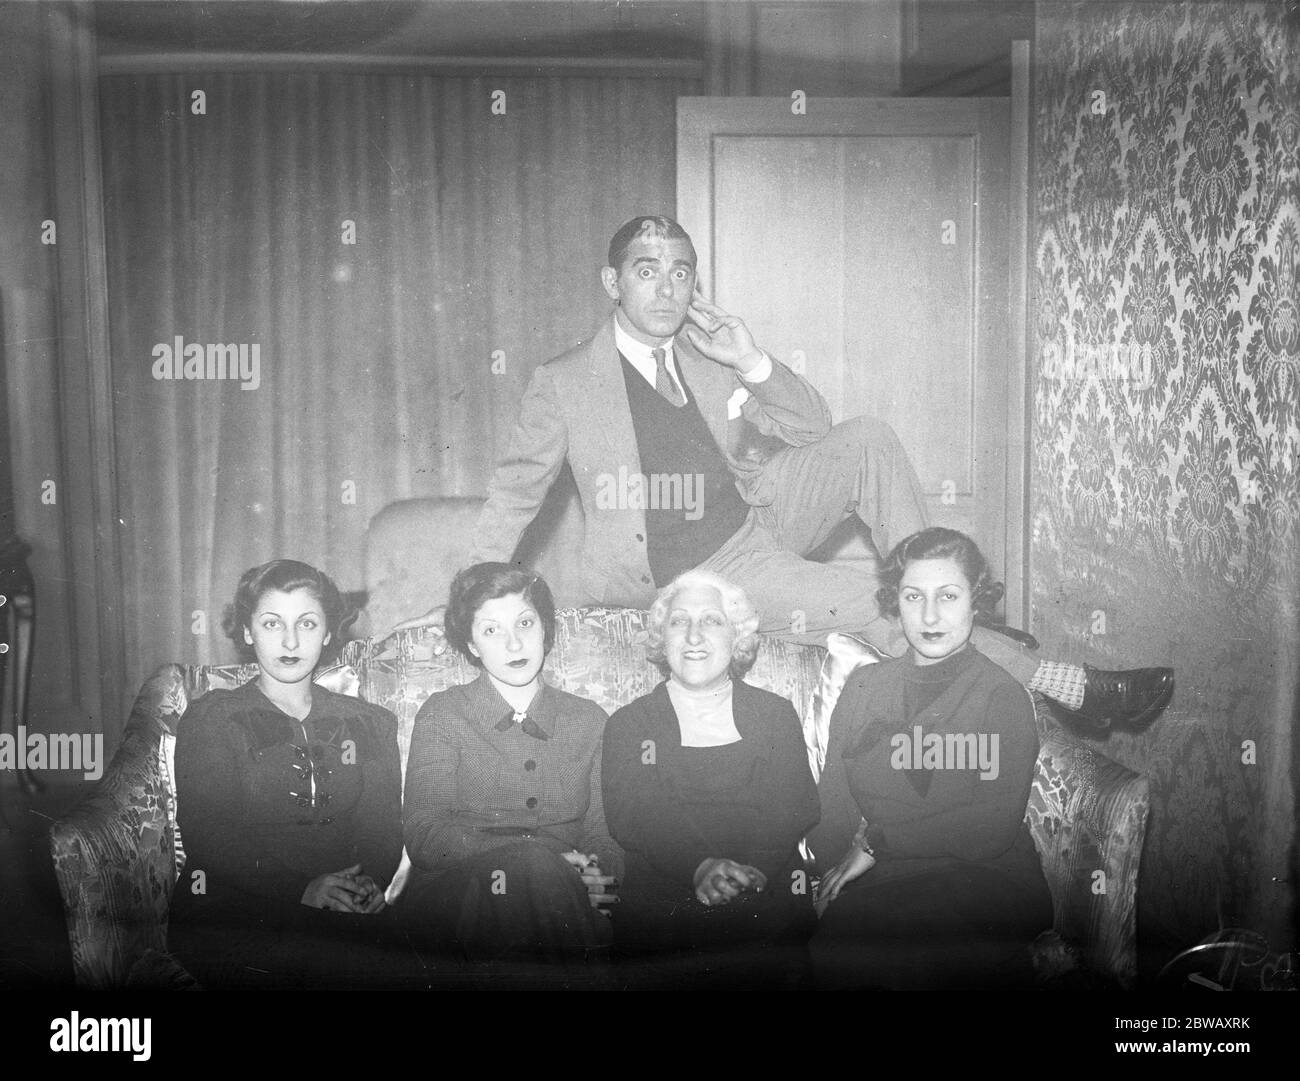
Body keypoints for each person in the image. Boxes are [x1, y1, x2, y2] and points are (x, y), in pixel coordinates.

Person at [428, 213, 1172, 731]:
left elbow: (810, 427)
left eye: (681, 273)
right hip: (702, 566)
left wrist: (748, 357)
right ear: (612, 281)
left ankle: (940, 588)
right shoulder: (564, 381)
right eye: (646, 271)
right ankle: (1065, 683)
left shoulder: (705, 353)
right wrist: (459, 608)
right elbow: (514, 494)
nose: (666, 289)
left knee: (868, 438)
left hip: (754, 508)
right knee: (882, 609)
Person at [808, 527, 1054, 989]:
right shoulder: (864, 687)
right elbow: (833, 796)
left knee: (903, 957)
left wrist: (874, 845)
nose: (930, 614)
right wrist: (827, 875)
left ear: (976, 602)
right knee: (832, 951)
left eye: (948, 596)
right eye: (913, 596)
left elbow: (991, 825)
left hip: (983, 878)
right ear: (894, 602)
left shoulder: (1001, 695)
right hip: (887, 876)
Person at [169, 559, 425, 988]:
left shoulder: (368, 722)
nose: (290, 640)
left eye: (307, 624)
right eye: (272, 624)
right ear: (248, 633)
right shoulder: (213, 718)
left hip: (340, 899)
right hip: (236, 909)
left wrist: (367, 886)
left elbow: (381, 828)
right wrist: (300, 889)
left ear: (327, 633)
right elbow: (207, 833)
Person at [398, 563, 620, 977]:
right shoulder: (444, 714)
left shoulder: (589, 720)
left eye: (525, 622)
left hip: (563, 898)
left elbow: (604, 833)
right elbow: (424, 831)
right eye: (491, 630)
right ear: (471, 644)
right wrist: (537, 858)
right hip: (459, 897)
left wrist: (599, 874)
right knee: (532, 873)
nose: (514, 643)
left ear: (545, 629)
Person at [601, 570, 819, 986]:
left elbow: (793, 805)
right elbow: (636, 815)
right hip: (667, 901)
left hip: (763, 892)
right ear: (662, 638)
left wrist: (748, 873)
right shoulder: (629, 725)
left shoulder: (774, 715)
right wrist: (700, 867)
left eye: (712, 620)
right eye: (680, 621)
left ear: (736, 637)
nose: (694, 636)